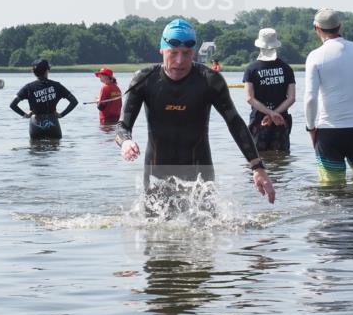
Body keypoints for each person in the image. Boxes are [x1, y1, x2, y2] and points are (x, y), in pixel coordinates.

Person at [117, 18, 275, 203]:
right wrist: (126, 142)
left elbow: (235, 123)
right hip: (156, 174)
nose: (180, 60)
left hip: (200, 175)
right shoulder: (144, 80)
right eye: (173, 52)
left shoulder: (209, 80)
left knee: (207, 228)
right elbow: (122, 127)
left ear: (194, 52)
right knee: (154, 229)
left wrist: (257, 167)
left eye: (186, 53)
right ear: (161, 49)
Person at [303, 8, 353, 185]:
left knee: (331, 190)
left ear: (317, 28)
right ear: (340, 26)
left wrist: (311, 128)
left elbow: (310, 98)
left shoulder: (315, 56)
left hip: (328, 133)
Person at [243, 28, 296, 153]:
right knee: (281, 160)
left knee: (257, 159)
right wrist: (275, 114)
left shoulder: (251, 69)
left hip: (259, 121)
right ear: (275, 45)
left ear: (260, 46)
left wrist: (269, 114)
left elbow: (249, 98)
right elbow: (292, 98)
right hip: (281, 120)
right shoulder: (286, 68)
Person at [10, 58, 78, 140]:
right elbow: (74, 101)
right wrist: (61, 114)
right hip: (53, 123)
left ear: (34, 72)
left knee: (35, 149)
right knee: (54, 150)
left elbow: (12, 105)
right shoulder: (57, 86)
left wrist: (25, 115)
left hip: (35, 124)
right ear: (47, 70)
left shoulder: (28, 87)